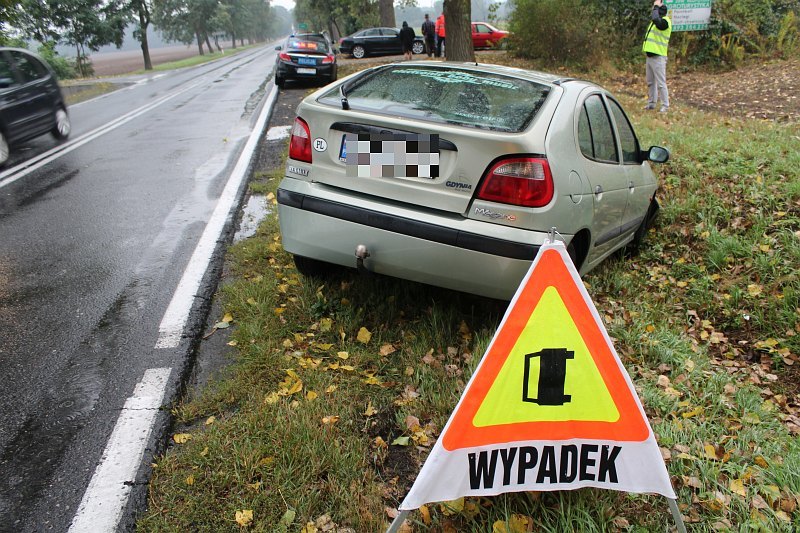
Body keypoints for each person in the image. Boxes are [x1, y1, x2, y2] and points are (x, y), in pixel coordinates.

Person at [642, 0, 672, 113]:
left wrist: (655, 6)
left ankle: (665, 105)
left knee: (660, 83)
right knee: (650, 82)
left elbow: (655, 18)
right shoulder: (656, 22)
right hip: (650, 56)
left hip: (659, 57)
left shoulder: (665, 22)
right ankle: (651, 103)